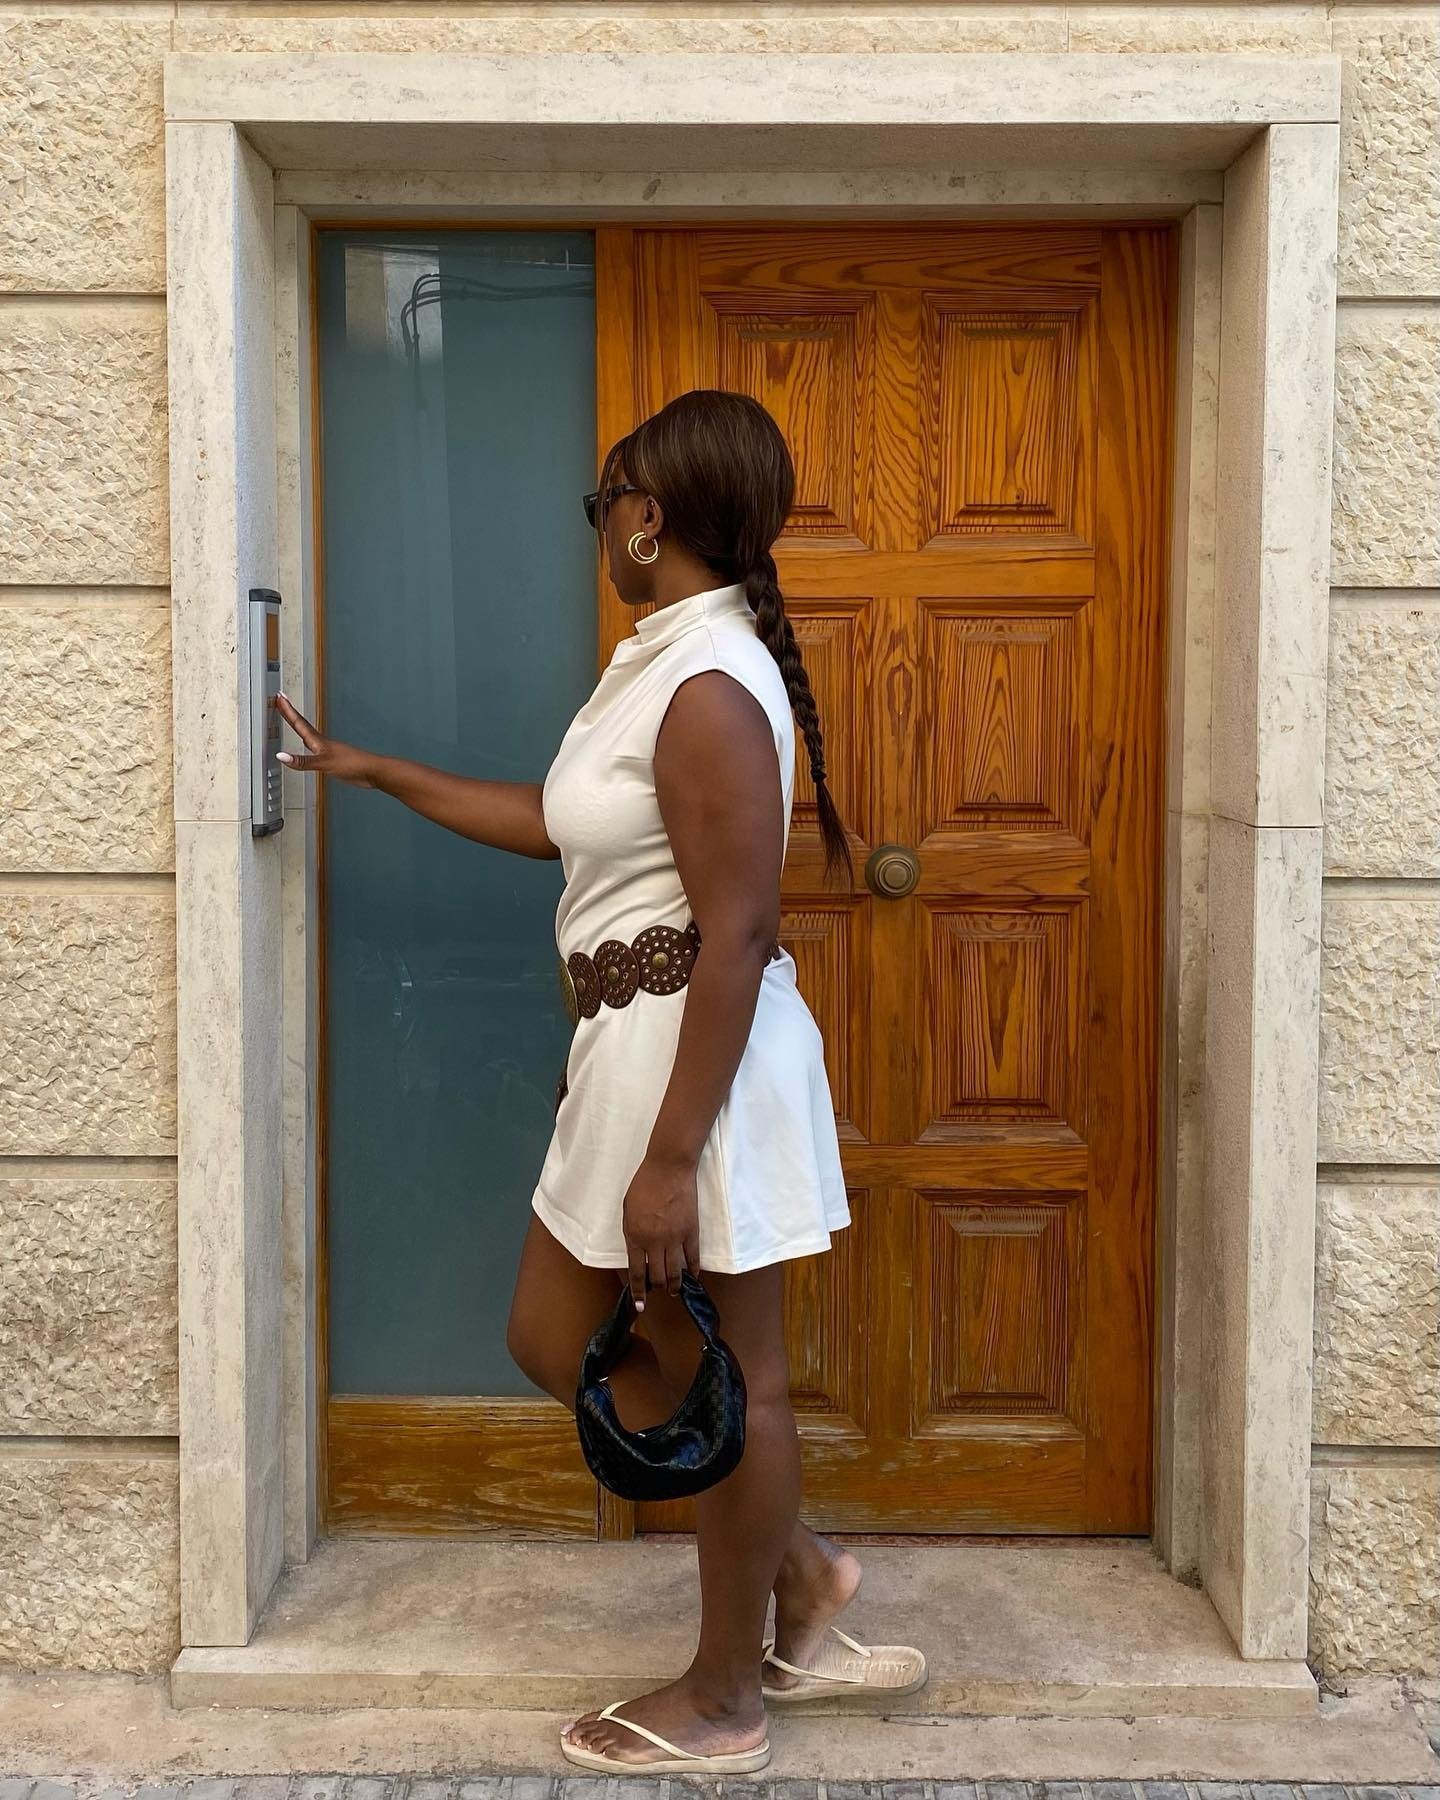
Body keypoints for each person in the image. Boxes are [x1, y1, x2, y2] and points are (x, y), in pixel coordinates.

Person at [275, 388, 926, 1774]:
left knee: (734, 1376)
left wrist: (675, 1152)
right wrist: (372, 767)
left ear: (645, 518)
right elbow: (563, 827)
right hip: (636, 1051)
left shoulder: (706, 687)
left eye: (603, 505)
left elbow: (739, 932)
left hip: (700, 1063)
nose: (598, 531)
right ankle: (802, 1575)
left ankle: (728, 1697)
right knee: (550, 1330)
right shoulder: (655, 666)